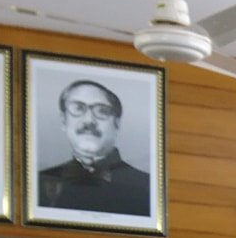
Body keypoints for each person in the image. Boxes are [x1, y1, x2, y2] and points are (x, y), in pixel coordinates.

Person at [36, 79, 151, 215]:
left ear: (117, 122)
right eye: (78, 108)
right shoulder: (38, 183)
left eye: (102, 111)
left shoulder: (147, 187)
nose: (89, 120)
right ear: (63, 120)